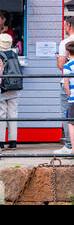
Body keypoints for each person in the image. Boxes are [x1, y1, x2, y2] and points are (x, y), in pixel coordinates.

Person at [0, 34, 21, 150]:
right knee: (13, 113)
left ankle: (0, 141)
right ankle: (13, 141)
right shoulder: (14, 54)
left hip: (3, 88)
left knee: (1, 114)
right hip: (15, 87)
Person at [55, 17, 74, 155]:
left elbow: (61, 65)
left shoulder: (65, 43)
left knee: (67, 115)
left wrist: (60, 59)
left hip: (68, 85)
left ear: (68, 26)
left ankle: (69, 145)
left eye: (64, 26)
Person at [63, 41, 74, 156]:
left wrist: (68, 94)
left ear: (67, 52)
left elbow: (66, 84)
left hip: (73, 98)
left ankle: (73, 149)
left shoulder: (67, 66)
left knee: (71, 123)